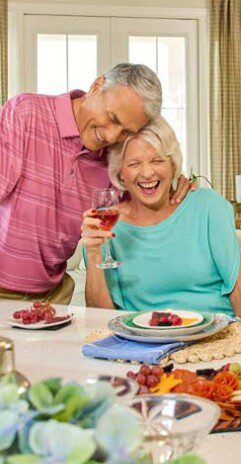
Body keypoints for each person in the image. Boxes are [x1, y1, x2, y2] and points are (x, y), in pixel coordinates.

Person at [0, 63, 191, 304]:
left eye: (125, 131)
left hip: (52, 299)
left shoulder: (113, 160)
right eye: (112, 118)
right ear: (96, 86)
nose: (111, 136)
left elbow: (148, 191)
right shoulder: (26, 113)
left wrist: (179, 183)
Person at [81, 117, 241, 321]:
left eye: (158, 160)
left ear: (173, 165)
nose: (148, 173)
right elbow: (101, 318)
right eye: (134, 164)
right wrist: (94, 253)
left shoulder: (208, 207)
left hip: (220, 334)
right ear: (120, 172)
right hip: (148, 343)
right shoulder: (105, 225)